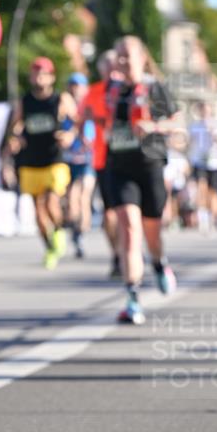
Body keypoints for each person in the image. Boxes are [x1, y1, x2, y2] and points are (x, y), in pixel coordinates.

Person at [104, 36, 179, 325]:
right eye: (118, 55)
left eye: (126, 56)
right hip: (119, 167)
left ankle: (159, 264)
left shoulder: (153, 87)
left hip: (150, 167)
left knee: (152, 234)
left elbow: (177, 123)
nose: (121, 61)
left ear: (142, 58)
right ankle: (132, 298)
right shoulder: (112, 89)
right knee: (129, 228)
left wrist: (153, 126)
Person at [4, 57, 76, 269]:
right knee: (38, 211)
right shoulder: (24, 102)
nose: (39, 77)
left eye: (43, 73)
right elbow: (13, 128)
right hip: (31, 161)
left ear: (52, 77)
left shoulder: (61, 99)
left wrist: (70, 135)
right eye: (35, 73)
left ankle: (60, 231)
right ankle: (49, 246)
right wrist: (15, 138)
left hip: (54, 159)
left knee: (52, 201)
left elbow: (79, 122)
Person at [82, 50, 122, 276]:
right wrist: (82, 135)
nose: (111, 71)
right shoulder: (94, 92)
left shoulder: (128, 90)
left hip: (127, 157)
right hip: (102, 158)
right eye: (107, 67)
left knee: (126, 211)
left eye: (114, 66)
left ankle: (127, 251)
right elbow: (82, 116)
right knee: (109, 214)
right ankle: (116, 254)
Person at [62, 73, 96, 258]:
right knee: (72, 198)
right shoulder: (65, 107)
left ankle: (81, 234)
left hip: (88, 159)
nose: (76, 89)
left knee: (84, 196)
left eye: (79, 85)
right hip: (71, 159)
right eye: (73, 85)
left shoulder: (90, 106)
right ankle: (76, 232)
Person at [187, 100, 217, 233]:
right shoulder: (194, 125)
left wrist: (214, 134)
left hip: (214, 162)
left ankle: (210, 216)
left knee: (211, 192)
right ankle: (202, 217)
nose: (205, 112)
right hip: (198, 161)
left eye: (207, 110)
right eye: (203, 110)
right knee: (201, 187)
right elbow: (189, 143)